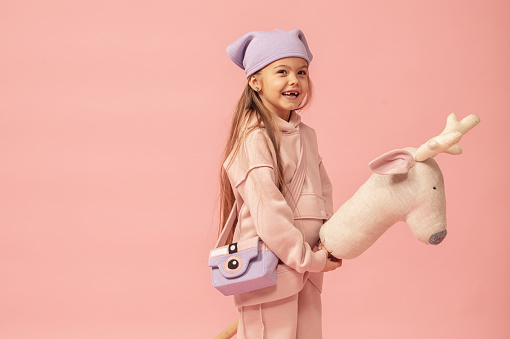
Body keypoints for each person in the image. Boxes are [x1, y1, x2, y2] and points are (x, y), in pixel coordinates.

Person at [218, 29, 342, 339]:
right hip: (269, 272)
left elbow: (323, 192)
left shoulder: (306, 136)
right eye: (282, 71)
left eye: (302, 72)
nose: (294, 81)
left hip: (308, 269)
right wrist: (307, 258)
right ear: (255, 82)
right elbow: (269, 214)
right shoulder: (254, 138)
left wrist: (329, 240)